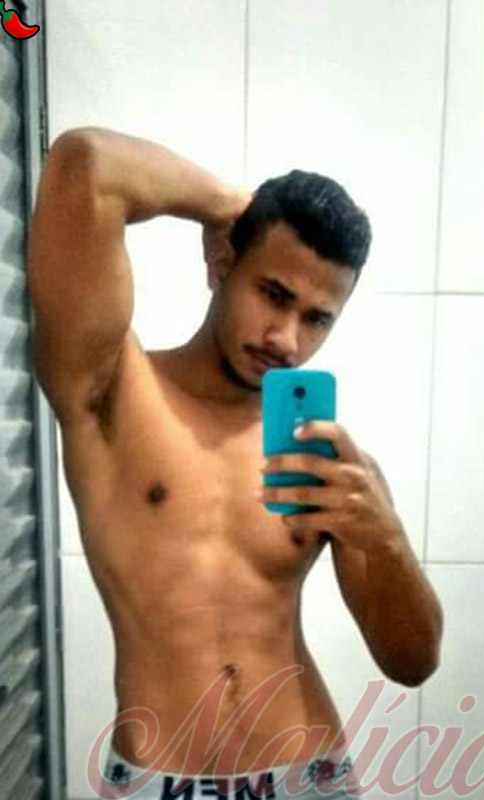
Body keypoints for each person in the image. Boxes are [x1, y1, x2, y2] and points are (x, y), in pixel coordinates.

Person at [27, 127, 443, 799]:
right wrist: (229, 205)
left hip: (310, 774)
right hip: (160, 780)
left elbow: (412, 663)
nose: (287, 339)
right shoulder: (112, 391)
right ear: (221, 261)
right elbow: (88, 165)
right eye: (274, 294)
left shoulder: (324, 461)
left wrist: (386, 538)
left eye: (317, 318)